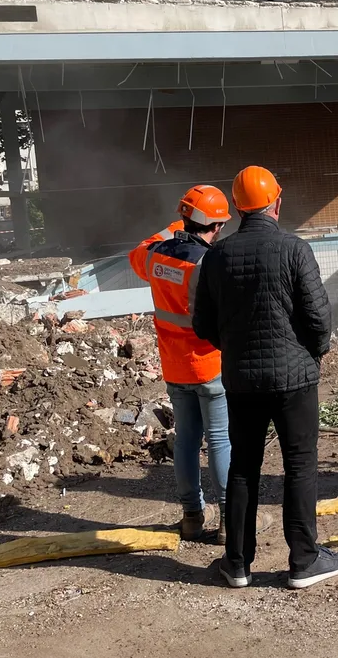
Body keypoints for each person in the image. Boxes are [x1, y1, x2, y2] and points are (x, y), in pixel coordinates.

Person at [192, 165, 338, 590]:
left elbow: (202, 324)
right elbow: (319, 318)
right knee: (300, 465)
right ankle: (303, 560)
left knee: (244, 467)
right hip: (295, 379)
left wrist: (237, 350)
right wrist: (313, 352)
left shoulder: (217, 257)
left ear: (239, 209)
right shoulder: (295, 250)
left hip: (242, 381)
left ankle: (237, 564)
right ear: (276, 202)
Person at [128, 185, 232, 543]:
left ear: (185, 217)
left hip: (173, 366)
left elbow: (136, 252)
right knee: (219, 440)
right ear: (216, 226)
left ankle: (191, 517)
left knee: (187, 440)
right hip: (209, 365)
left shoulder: (156, 255)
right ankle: (228, 522)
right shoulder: (208, 262)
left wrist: (174, 227)